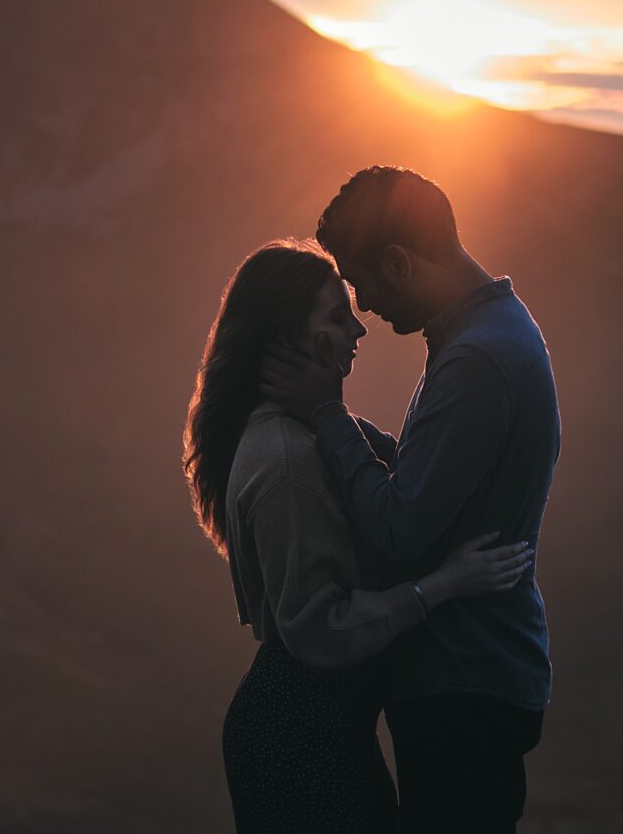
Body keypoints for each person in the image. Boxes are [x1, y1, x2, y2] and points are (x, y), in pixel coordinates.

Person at [184, 239, 535, 834]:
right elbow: (321, 628)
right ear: (289, 335)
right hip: (300, 743)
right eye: (335, 315)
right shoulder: (288, 461)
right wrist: (441, 587)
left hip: (318, 731)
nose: (358, 329)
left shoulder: (296, 433)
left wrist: (330, 412)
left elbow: (400, 471)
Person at [259, 167, 562, 834]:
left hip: (464, 683)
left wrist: (328, 416)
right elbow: (445, 480)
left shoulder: (476, 362)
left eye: (361, 282)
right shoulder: (495, 330)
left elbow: (399, 530)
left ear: (398, 263)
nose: (364, 307)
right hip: (480, 677)